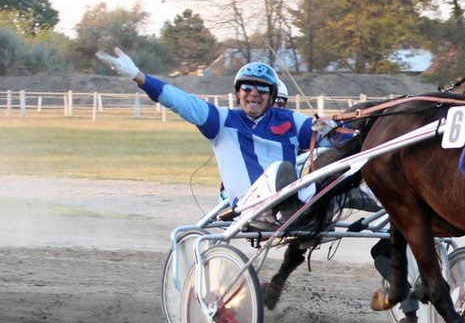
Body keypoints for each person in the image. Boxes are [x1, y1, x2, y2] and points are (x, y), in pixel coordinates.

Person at [95, 47, 315, 213]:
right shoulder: (222, 120)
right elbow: (180, 101)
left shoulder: (292, 121)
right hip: (251, 203)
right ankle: (285, 199)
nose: (254, 93)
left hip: (292, 201)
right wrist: (137, 75)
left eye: (263, 89)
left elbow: (329, 135)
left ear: (273, 95)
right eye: (247, 87)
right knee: (279, 171)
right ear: (238, 93)